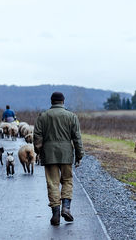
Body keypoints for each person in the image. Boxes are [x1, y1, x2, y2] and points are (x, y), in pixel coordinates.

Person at [33, 92, 84, 226]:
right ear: (63, 101)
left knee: (52, 183)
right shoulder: (71, 116)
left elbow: (37, 136)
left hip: (49, 154)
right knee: (67, 180)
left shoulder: (43, 116)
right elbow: (77, 138)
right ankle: (66, 208)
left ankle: (55, 213)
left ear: (51, 101)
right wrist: (79, 155)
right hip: (66, 153)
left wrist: (38, 150)